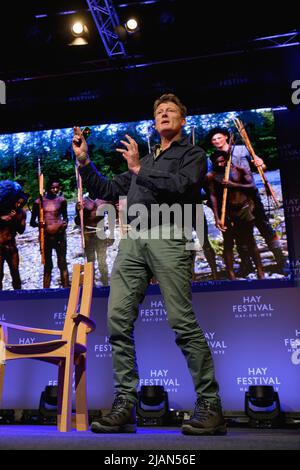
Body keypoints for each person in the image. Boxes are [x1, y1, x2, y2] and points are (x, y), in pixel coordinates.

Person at [72, 93, 226, 436]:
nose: (165, 114)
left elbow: (184, 184)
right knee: (117, 321)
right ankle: (125, 403)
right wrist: (85, 161)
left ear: (182, 121)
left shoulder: (193, 154)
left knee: (181, 321)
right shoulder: (142, 160)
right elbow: (108, 189)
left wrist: (141, 169)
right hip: (134, 239)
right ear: (154, 123)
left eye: (171, 110)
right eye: (159, 111)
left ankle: (210, 405)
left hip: (171, 232)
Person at [207, 127, 286, 275]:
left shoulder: (242, 149)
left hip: (251, 193)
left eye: (219, 138)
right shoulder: (215, 158)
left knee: (264, 226)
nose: (216, 141)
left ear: (226, 137)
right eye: (213, 140)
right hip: (234, 201)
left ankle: (282, 261)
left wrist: (260, 164)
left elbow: (262, 165)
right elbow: (213, 182)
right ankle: (247, 265)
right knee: (241, 234)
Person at [207, 150, 265, 280]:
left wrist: (234, 184)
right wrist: (217, 218)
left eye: (223, 161)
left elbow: (252, 187)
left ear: (228, 160)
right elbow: (213, 196)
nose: (221, 164)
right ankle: (231, 274)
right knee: (228, 243)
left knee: (250, 241)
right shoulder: (212, 176)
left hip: (244, 209)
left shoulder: (239, 170)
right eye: (218, 162)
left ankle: (260, 271)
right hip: (226, 213)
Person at [30, 180, 69, 288]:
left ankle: (66, 289)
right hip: (46, 237)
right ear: (48, 188)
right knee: (47, 265)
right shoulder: (39, 202)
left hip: (60, 236)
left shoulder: (62, 201)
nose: (55, 190)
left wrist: (64, 224)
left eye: (57, 187)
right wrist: (39, 224)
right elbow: (32, 222)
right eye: (53, 187)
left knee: (62, 263)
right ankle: (45, 292)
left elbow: (65, 217)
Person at [75, 195, 114, 286]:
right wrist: (78, 210)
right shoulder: (82, 201)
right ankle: (90, 285)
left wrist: (111, 236)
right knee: (90, 261)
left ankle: (105, 283)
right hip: (88, 234)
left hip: (100, 233)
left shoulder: (105, 201)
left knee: (102, 260)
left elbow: (111, 217)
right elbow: (77, 221)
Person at [0, 181, 27, 290]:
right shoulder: (2, 210)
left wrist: (17, 220)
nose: (19, 205)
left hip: (11, 247)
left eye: (21, 203)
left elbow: (21, 231)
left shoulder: (21, 213)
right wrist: (2, 218)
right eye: (17, 202)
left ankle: (18, 297)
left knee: (15, 273)